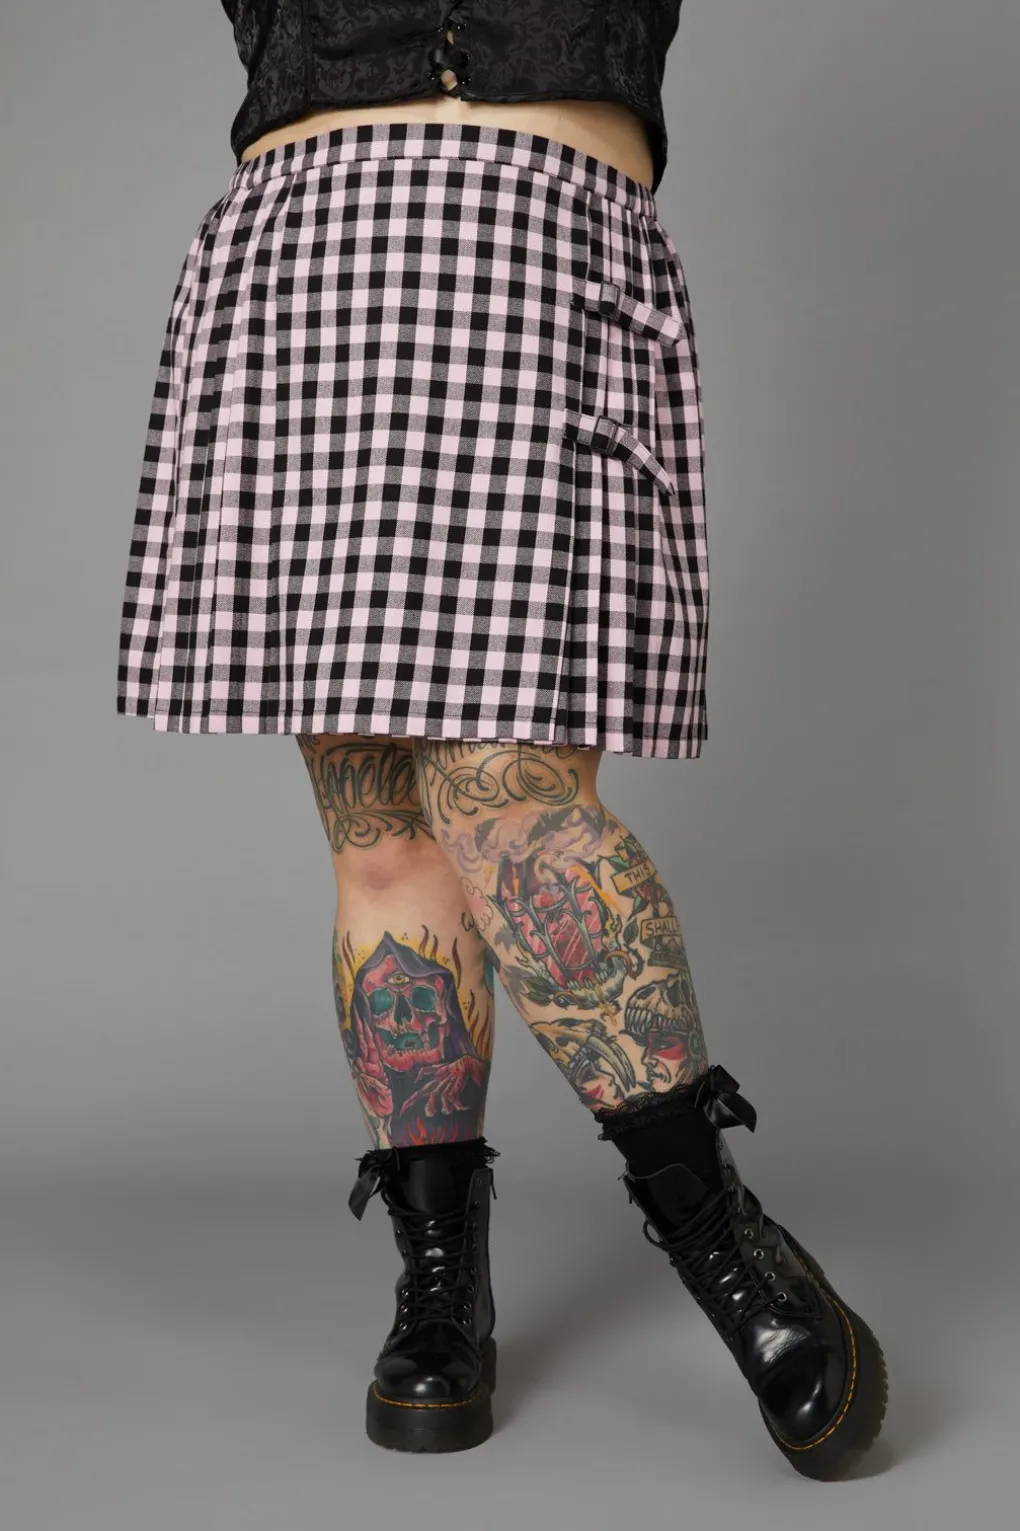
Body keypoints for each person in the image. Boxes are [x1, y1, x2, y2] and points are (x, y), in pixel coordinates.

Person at [116, 1, 888, 1475]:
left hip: (531, 237)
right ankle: (440, 1281)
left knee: (506, 796)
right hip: (305, 249)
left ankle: (720, 1236)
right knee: (380, 835)